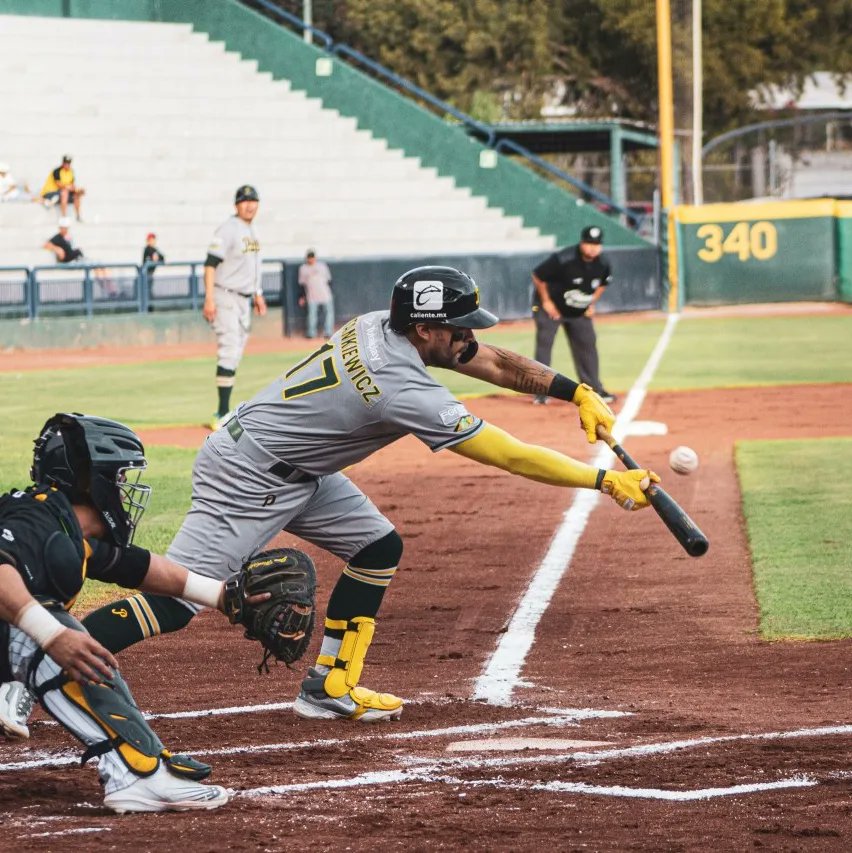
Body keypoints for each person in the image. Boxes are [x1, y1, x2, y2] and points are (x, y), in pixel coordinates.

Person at [70, 266, 658, 727]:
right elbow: (506, 453)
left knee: (376, 546)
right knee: (179, 600)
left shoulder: (382, 322)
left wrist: (573, 390)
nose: (469, 337)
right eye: (459, 327)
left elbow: (493, 361)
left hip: (300, 470)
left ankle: (330, 684)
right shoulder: (401, 387)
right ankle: (37, 665)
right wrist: (602, 479)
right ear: (425, 330)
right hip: (249, 475)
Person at [0, 413, 231, 813]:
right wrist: (52, 635)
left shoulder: (66, 531)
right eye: (121, 479)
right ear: (94, 481)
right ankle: (136, 773)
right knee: (55, 631)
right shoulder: (37, 520)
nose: (126, 491)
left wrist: (227, 598)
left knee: (43, 625)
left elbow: (144, 569)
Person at [202, 185, 267, 431]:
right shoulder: (228, 229)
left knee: (237, 352)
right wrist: (209, 298)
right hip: (225, 295)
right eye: (245, 201)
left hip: (244, 299)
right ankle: (220, 412)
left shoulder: (252, 230)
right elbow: (210, 264)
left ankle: (224, 409)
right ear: (236, 205)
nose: (250, 205)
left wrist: (258, 293)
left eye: (254, 201)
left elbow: (253, 266)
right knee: (229, 349)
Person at [531, 225, 616, 405]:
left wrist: (591, 303)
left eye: (597, 244)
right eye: (589, 243)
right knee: (545, 345)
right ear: (582, 242)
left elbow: (603, 283)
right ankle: (541, 391)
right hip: (551, 308)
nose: (593, 247)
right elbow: (538, 275)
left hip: (577, 311)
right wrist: (546, 302)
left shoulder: (603, 263)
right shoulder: (564, 258)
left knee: (587, 345)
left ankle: (594, 389)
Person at [297, 249, 334, 339]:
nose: (311, 259)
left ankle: (328, 332)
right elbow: (302, 284)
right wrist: (302, 297)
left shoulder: (322, 266)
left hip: (325, 294)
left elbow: (329, 280)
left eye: (312, 257)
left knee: (328, 313)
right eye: (309, 257)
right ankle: (311, 333)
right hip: (312, 295)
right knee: (312, 315)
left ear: (315, 257)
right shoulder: (303, 268)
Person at [40, 155, 85, 221]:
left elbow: (72, 185)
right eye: (66, 163)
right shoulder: (57, 171)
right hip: (50, 193)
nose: (67, 165)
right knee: (64, 192)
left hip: (60, 194)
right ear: (63, 163)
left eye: (68, 163)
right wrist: (69, 187)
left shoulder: (71, 172)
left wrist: (77, 190)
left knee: (76, 195)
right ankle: (64, 216)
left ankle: (78, 216)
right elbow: (59, 185)